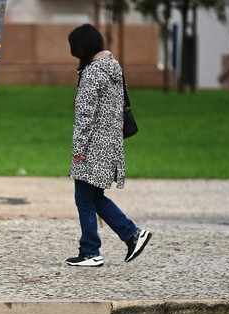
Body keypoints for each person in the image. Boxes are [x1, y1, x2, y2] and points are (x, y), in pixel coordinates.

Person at [66, 24, 151, 267]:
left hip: (93, 146)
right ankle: (131, 235)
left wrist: (78, 150)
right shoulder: (113, 68)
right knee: (94, 197)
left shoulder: (93, 72)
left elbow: (85, 115)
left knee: (84, 199)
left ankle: (91, 251)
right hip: (110, 143)